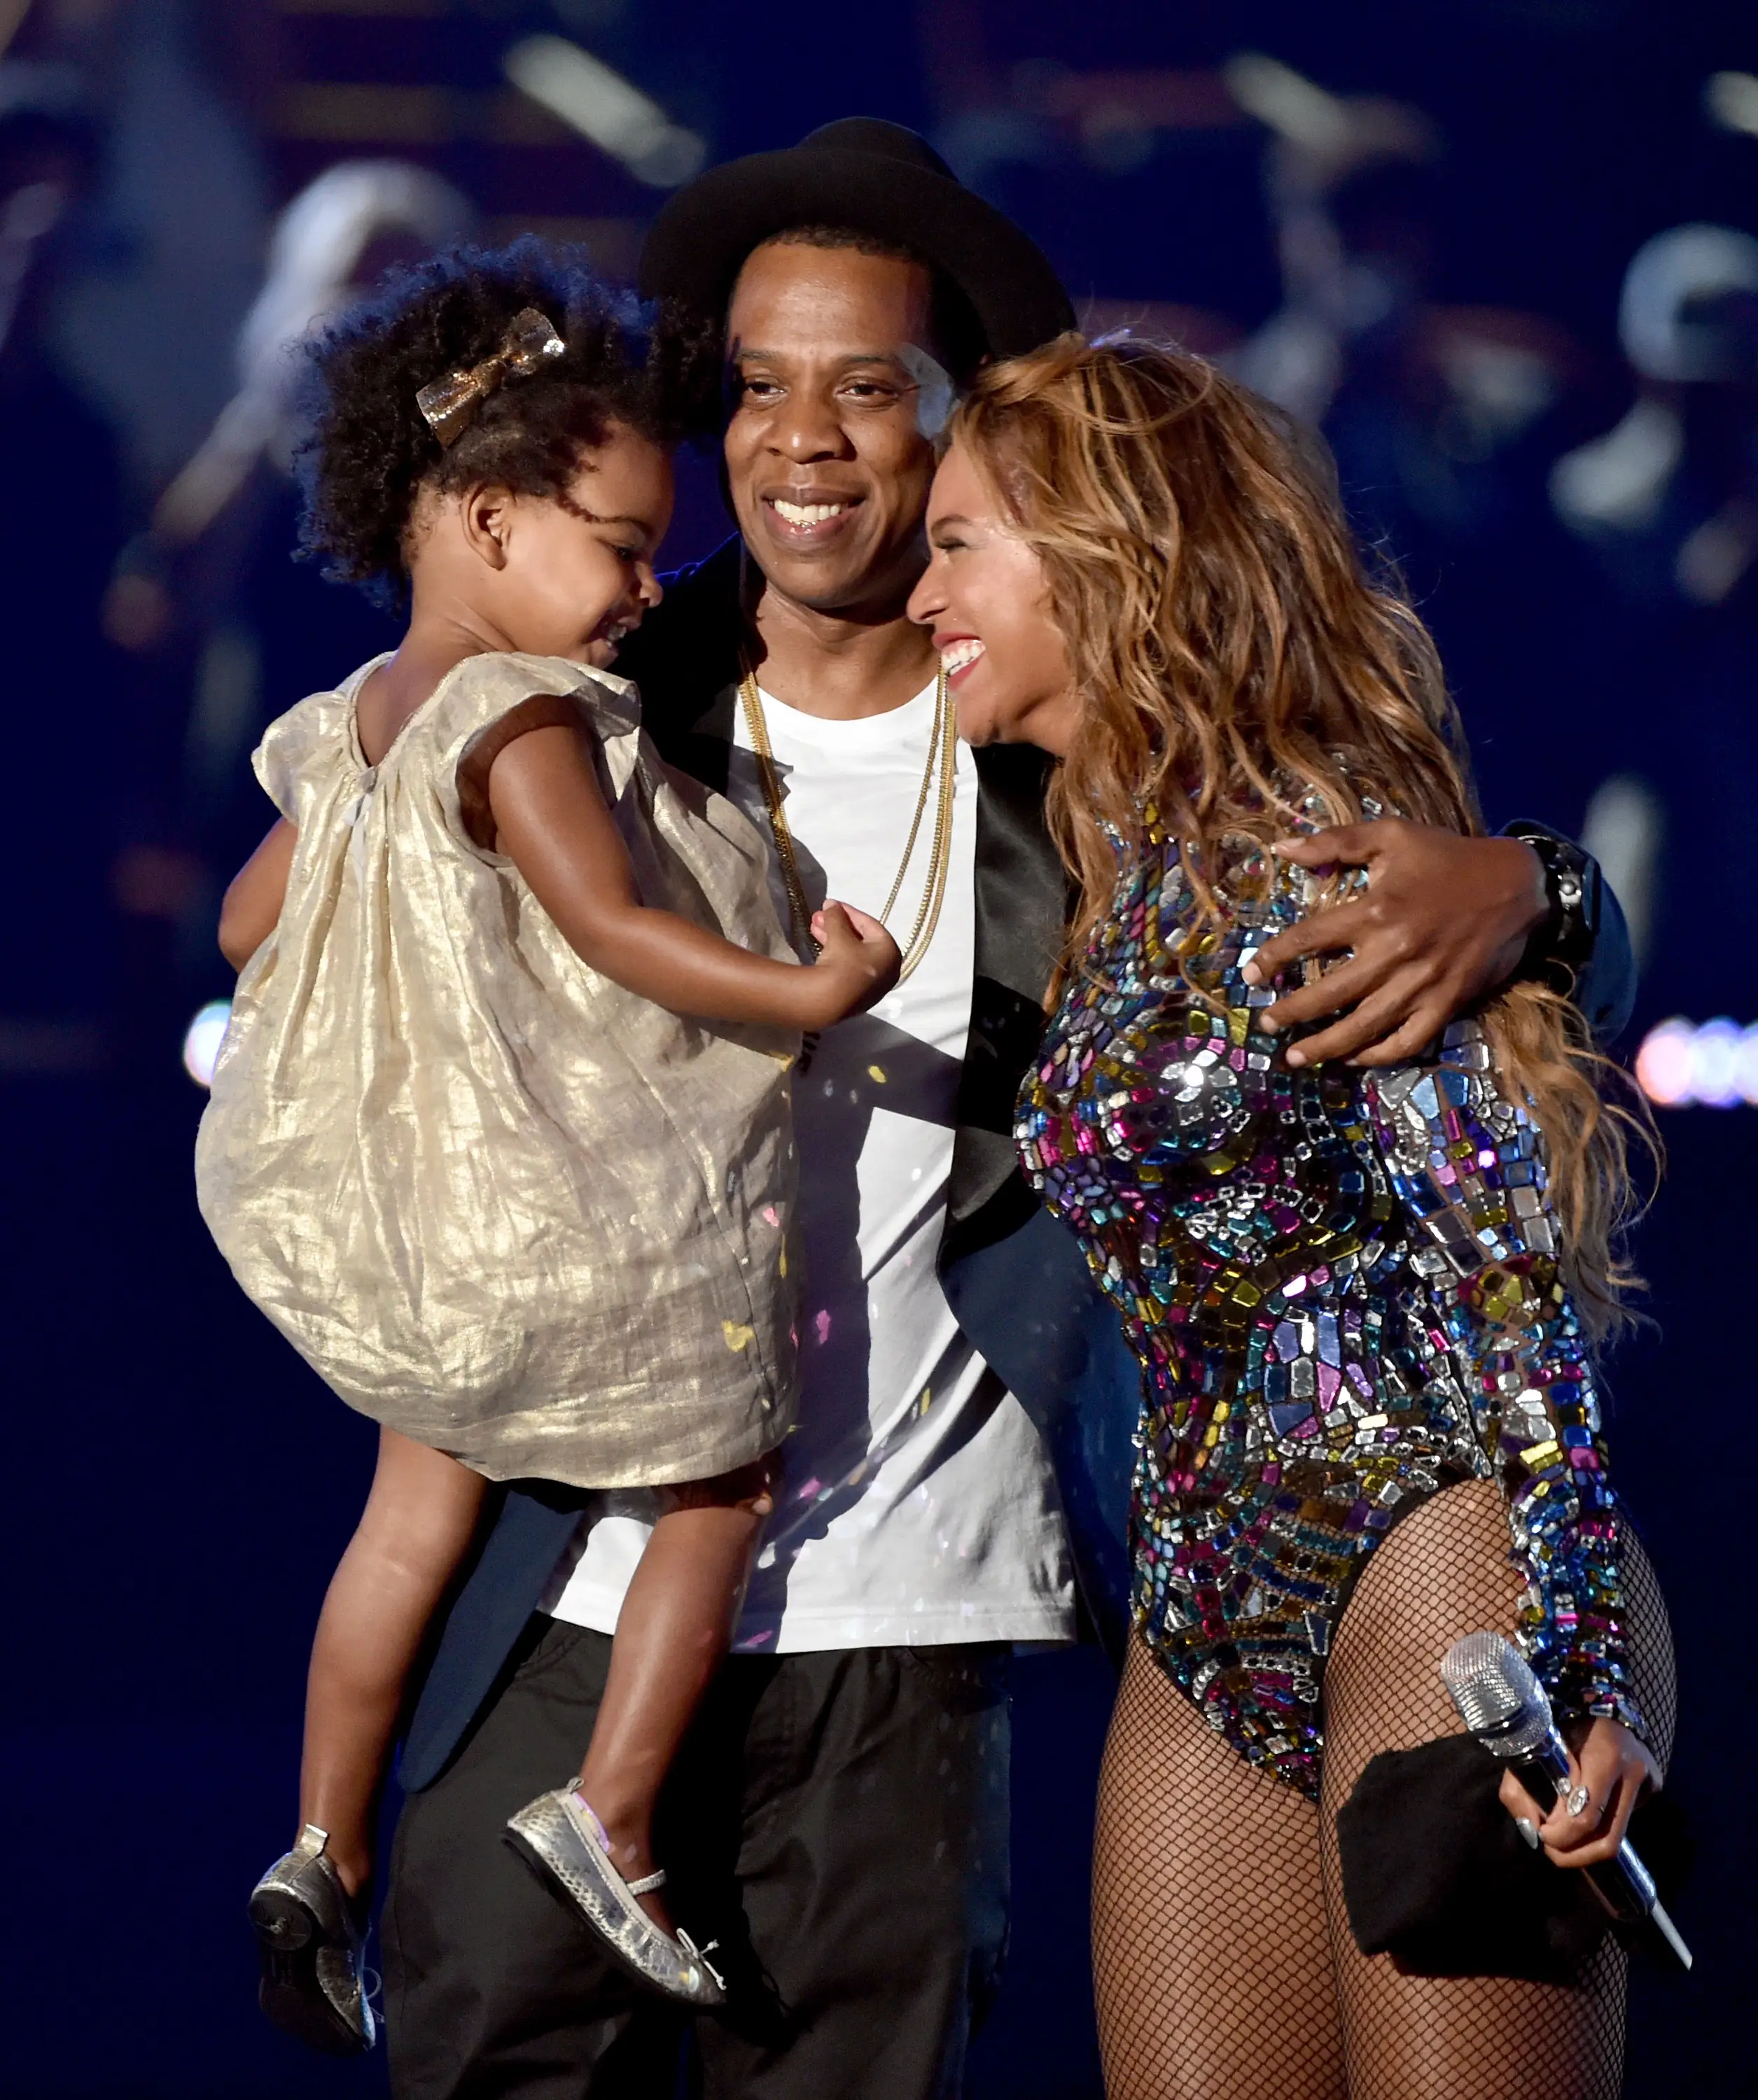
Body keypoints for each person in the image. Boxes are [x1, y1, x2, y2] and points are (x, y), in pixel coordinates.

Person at [375, 122, 1640, 2100]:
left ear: (973, 450)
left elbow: (1493, 1143)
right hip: (601, 1582)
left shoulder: (1100, 782)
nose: (805, 441)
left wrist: (1544, 893)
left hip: (961, 1603)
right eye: (760, 387)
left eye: (869, 392)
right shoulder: (591, 694)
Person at [908, 333, 1673, 2100]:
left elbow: (1506, 1270)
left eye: (960, 542)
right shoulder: (1116, 873)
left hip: (1443, 1571)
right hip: (1202, 1606)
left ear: (1103, 552)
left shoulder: (1321, 854)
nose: (923, 583)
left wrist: (1569, 1654)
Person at [195, 242, 899, 2054]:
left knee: (402, 1525)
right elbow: (606, 927)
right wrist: (798, 992)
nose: (644, 586)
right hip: (558, 1209)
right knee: (721, 1483)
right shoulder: (525, 717)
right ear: (493, 522)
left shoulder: (342, 722)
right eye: (617, 540)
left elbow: (241, 932)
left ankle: (318, 1841)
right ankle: (611, 1808)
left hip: (424, 1227)